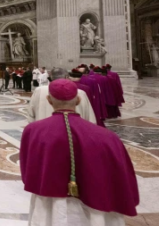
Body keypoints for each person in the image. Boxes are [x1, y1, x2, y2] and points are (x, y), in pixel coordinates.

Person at [20, 79, 139, 225]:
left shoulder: (33, 131)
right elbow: (122, 174)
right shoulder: (108, 137)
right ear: (78, 100)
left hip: (50, 203)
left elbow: (28, 172)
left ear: (49, 100)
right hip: (96, 204)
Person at [26, 68, 96, 124]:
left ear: (50, 77)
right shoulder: (80, 93)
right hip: (75, 134)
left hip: (44, 132)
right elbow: (90, 118)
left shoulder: (39, 91)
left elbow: (31, 115)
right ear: (66, 77)